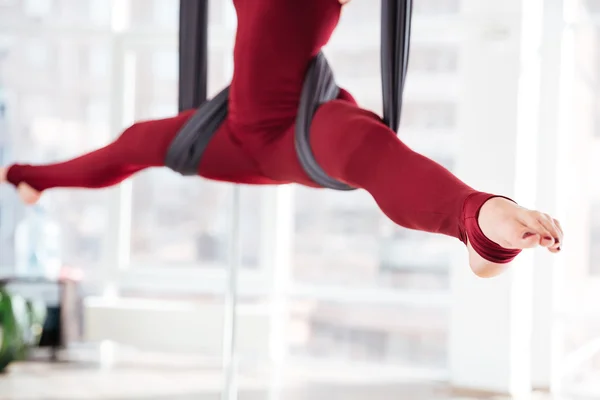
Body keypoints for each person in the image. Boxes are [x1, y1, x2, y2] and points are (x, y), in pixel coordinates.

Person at [0, 0, 563, 278]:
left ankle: (481, 225)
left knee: (371, 154)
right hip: (233, 130)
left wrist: (481, 212)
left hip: (303, 129)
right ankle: (29, 179)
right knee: (136, 143)